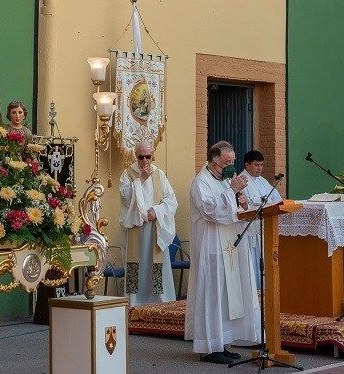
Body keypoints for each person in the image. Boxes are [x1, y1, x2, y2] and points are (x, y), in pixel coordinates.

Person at [184, 140, 260, 364]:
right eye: (228, 162)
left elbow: (234, 209)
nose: (231, 167)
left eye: (233, 162)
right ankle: (209, 347)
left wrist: (242, 203)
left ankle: (223, 342)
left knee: (226, 296)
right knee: (212, 295)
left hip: (228, 247)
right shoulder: (201, 182)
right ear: (214, 162)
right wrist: (232, 190)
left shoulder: (225, 181)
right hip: (211, 248)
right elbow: (210, 211)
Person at [118, 141, 178, 307]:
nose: (144, 160)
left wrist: (156, 211)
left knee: (156, 263)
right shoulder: (127, 173)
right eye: (141, 157)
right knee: (137, 265)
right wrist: (141, 179)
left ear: (153, 156)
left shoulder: (159, 174)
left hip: (155, 228)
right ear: (136, 156)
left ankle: (160, 300)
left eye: (148, 156)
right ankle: (135, 302)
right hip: (136, 229)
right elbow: (124, 197)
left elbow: (171, 200)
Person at [239, 150, 283, 289]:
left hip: (265, 228)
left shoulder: (262, 181)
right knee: (253, 262)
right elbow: (244, 207)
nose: (260, 168)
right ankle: (254, 290)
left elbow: (277, 200)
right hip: (251, 230)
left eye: (262, 165)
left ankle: (264, 290)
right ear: (247, 165)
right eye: (256, 165)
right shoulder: (241, 181)